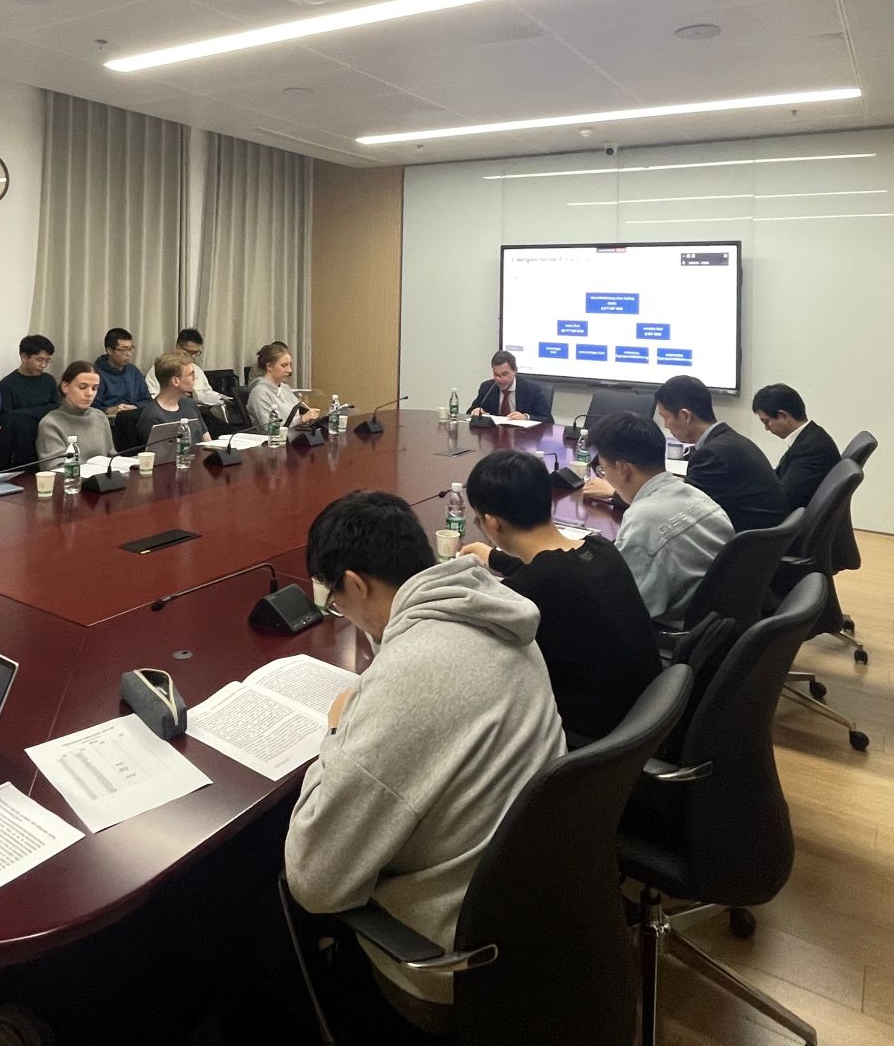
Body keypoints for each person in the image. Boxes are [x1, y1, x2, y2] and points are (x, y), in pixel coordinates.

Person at [287, 491, 562, 1033]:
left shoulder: (408, 680)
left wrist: (338, 732)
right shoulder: (495, 610)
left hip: (452, 958)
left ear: (356, 584)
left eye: (335, 600)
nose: (341, 612)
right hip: (545, 910)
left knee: (267, 890)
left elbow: (314, 883)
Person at [456, 449, 661, 739]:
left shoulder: (525, 594)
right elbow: (553, 571)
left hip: (588, 740)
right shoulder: (601, 548)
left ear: (492, 522)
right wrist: (494, 557)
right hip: (645, 717)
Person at [584, 411, 733, 628]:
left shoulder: (644, 521)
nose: (604, 476)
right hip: (712, 625)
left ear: (623, 469)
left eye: (602, 470)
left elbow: (622, 608)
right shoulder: (696, 496)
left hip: (667, 633)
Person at [655, 374, 787, 533]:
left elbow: (680, 511)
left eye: (665, 417)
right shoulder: (730, 441)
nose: (665, 425)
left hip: (746, 543)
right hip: (765, 538)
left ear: (685, 416)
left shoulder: (712, 455)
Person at [752, 383, 839, 510]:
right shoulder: (811, 437)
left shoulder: (810, 449)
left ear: (783, 416)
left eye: (766, 421)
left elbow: (784, 500)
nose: (766, 428)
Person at [37, 361, 114, 463]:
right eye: (82, 387)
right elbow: (55, 467)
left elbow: (112, 457)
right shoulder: (51, 423)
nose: (89, 393)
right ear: (65, 387)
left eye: (94, 388)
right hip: (71, 474)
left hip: (104, 473)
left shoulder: (100, 416)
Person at [245, 341, 322, 433]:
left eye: (290, 365)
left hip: (293, 436)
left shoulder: (285, 388)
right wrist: (301, 419)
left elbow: (295, 416)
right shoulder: (259, 393)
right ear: (269, 366)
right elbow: (270, 427)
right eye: (284, 365)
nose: (289, 370)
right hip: (273, 440)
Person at [134, 351, 205, 442]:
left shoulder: (190, 404)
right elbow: (157, 450)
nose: (195, 378)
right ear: (175, 381)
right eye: (191, 374)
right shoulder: (151, 416)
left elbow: (207, 441)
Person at [468, 351, 553, 423]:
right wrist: (476, 411)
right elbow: (468, 413)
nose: (500, 379)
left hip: (522, 436)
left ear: (515, 371)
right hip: (494, 435)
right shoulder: (487, 387)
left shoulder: (532, 389)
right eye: (496, 374)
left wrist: (526, 417)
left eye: (505, 374)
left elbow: (548, 420)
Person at [91, 330, 150, 421]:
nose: (128, 354)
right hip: (109, 422)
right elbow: (89, 408)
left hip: (134, 419)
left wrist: (135, 407)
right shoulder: (96, 374)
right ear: (110, 350)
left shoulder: (133, 372)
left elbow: (147, 401)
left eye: (130, 349)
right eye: (124, 350)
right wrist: (107, 410)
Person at [0, 335, 58, 417]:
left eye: (47, 361)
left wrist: (25, 413)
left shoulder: (49, 380)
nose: (43, 365)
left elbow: (57, 410)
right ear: (24, 357)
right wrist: (46, 409)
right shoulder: (6, 385)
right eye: (39, 360)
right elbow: (7, 418)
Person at [173, 328, 226, 407]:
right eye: (190, 352)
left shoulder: (197, 369)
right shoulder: (161, 369)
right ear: (178, 347)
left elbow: (207, 392)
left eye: (196, 353)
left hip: (199, 410)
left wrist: (220, 397)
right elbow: (155, 399)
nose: (193, 356)